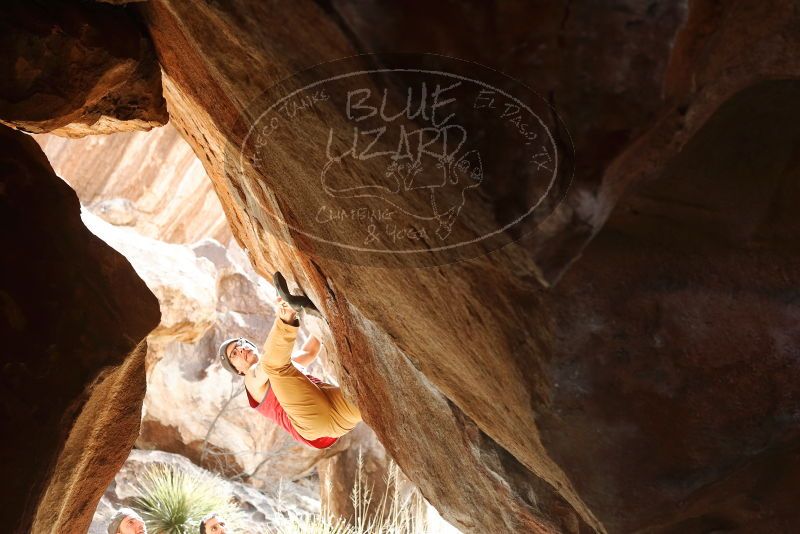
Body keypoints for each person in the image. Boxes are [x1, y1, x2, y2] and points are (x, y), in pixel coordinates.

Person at [217, 286, 361, 449]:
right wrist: (287, 317)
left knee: (365, 397)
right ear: (238, 371)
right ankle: (287, 314)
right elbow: (271, 365)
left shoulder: (283, 364)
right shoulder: (251, 381)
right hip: (312, 425)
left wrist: (321, 316)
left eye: (241, 343)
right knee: (275, 366)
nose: (241, 348)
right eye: (234, 354)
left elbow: (310, 351)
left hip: (338, 421)